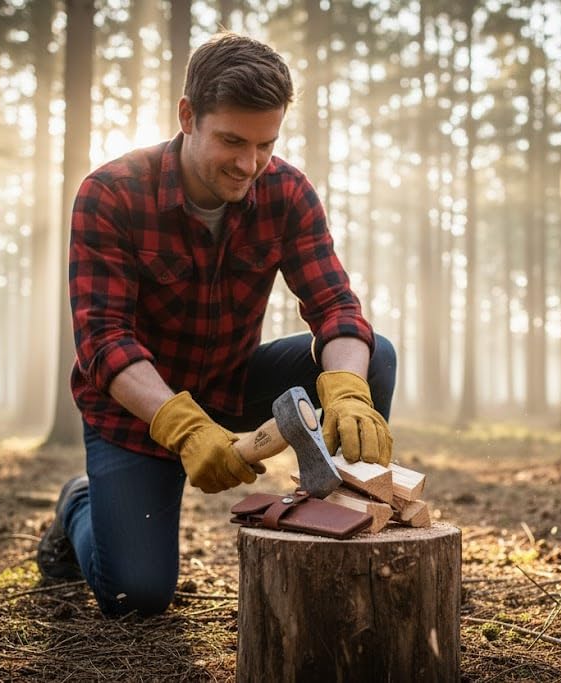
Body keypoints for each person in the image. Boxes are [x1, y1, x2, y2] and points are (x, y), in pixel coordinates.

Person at [36, 32, 396, 616]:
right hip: (138, 412)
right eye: (232, 140)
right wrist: (183, 428)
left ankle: (344, 518)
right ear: (188, 116)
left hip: (231, 383)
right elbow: (103, 341)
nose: (249, 164)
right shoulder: (110, 193)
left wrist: (349, 390)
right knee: (136, 596)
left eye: (265, 144)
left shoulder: (287, 192)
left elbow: (335, 306)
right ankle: (79, 504)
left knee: (372, 358)